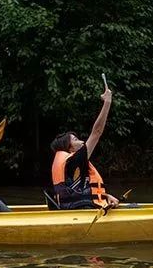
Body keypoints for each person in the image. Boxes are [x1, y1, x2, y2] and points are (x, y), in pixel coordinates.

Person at [50, 82, 120, 210]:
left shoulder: (74, 166)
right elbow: (97, 132)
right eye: (75, 139)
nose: (81, 141)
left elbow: (80, 188)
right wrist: (107, 103)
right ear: (69, 148)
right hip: (80, 212)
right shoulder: (73, 162)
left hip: (80, 208)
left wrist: (105, 196)